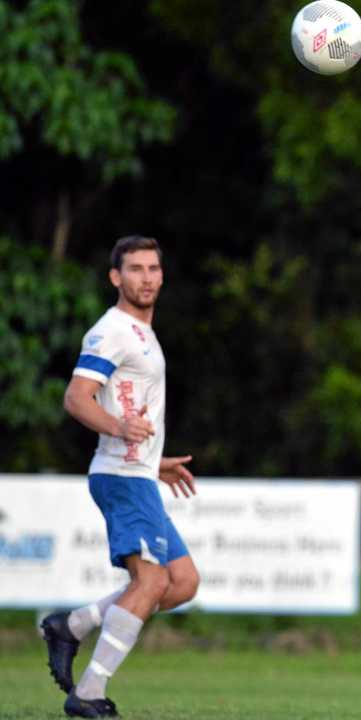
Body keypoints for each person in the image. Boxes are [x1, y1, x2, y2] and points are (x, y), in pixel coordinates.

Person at [41, 235, 199, 718]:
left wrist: (156, 459)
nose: (146, 277)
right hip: (121, 476)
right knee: (150, 583)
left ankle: (73, 625)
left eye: (153, 269)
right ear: (116, 277)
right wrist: (120, 429)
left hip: (139, 473)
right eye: (135, 269)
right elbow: (77, 397)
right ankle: (88, 691)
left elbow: (130, 402)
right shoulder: (111, 330)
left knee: (183, 582)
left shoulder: (142, 333)